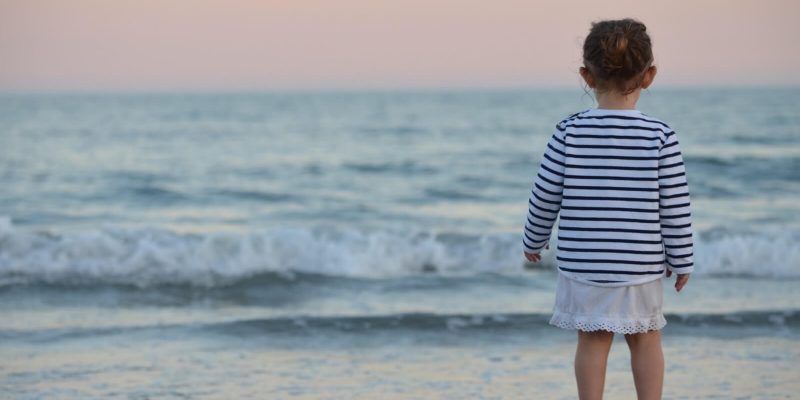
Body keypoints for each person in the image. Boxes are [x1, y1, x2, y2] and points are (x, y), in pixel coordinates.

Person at [522, 18, 694, 400]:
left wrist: (534, 239)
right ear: (649, 76)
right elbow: (675, 207)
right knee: (647, 340)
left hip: (585, 264)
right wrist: (682, 259)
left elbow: (545, 194)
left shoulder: (568, 131)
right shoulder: (660, 136)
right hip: (640, 265)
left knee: (593, 343)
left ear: (586, 75)